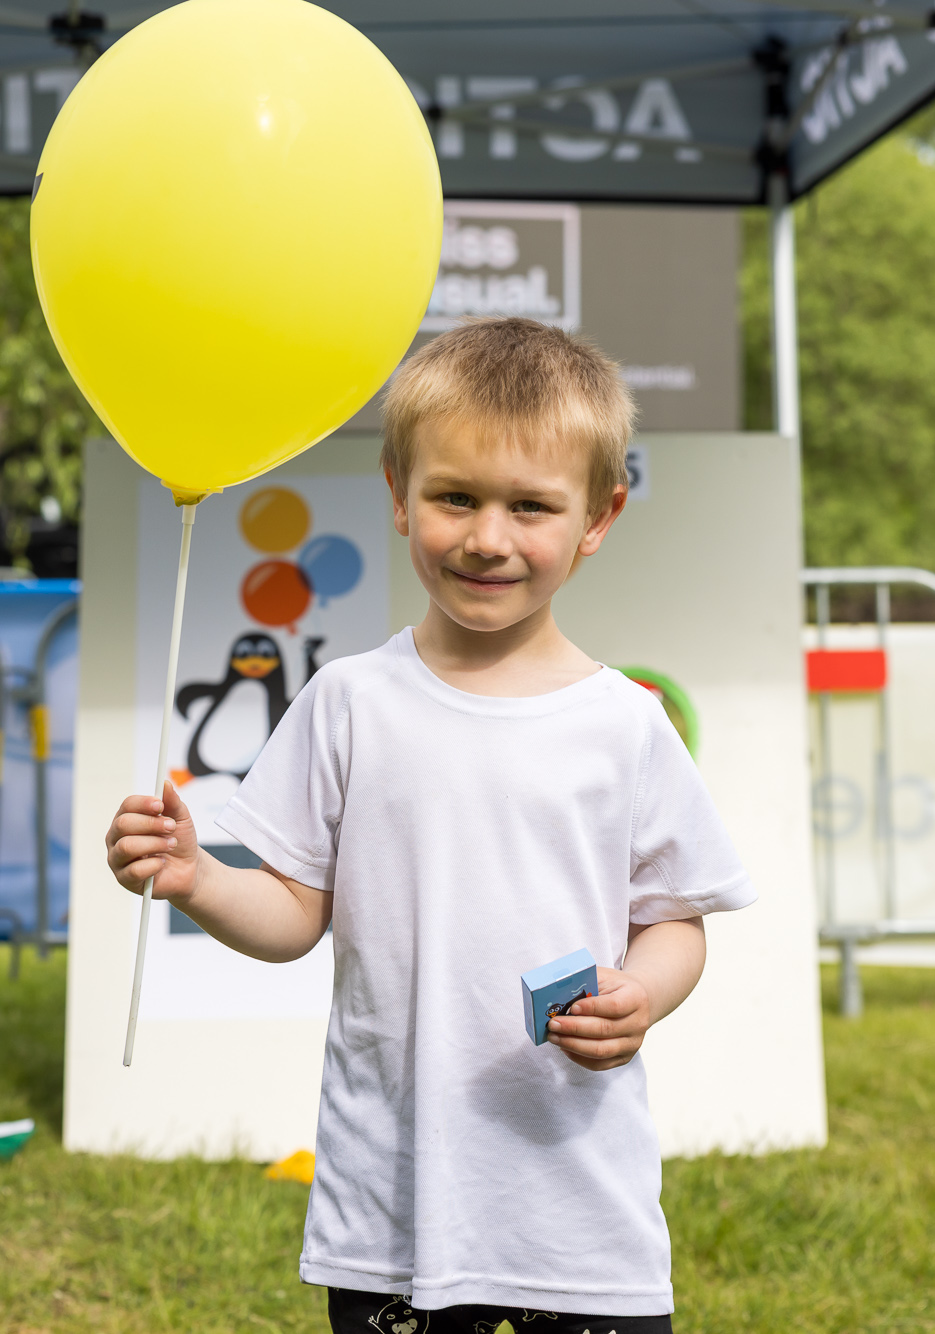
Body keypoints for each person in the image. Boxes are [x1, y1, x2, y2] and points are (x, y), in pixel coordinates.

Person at [104, 317, 755, 1334]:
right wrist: (198, 877)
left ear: (598, 515)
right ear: (399, 492)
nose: (488, 537)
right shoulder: (349, 701)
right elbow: (292, 914)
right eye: (456, 497)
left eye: (530, 505)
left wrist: (643, 993)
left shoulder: (626, 723)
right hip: (392, 1205)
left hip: (579, 1207)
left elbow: (674, 920)